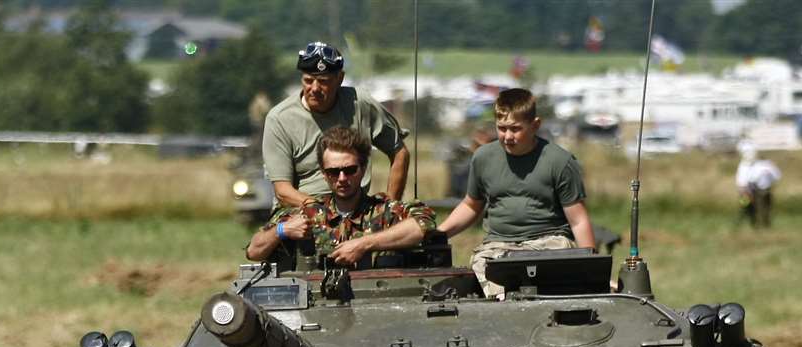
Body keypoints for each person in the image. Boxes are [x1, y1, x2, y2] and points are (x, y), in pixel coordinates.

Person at [435, 88, 596, 299]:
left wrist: (594, 273)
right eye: (502, 128)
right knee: (489, 276)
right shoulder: (483, 158)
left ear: (535, 125)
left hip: (549, 243)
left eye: (515, 129)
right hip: (498, 247)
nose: (508, 136)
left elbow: (578, 221)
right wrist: (437, 235)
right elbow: (471, 205)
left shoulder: (560, 161)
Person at [246, 127, 435, 267]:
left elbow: (424, 225)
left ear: (363, 169)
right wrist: (282, 230)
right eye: (334, 172)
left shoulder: (385, 212)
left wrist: (364, 244)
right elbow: (254, 251)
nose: (342, 179)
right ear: (323, 174)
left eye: (350, 170)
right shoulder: (307, 215)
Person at [261, 41, 409, 211]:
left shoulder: (359, 104)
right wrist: (326, 213)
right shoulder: (279, 119)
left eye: (323, 81)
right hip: (300, 211)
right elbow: (283, 191)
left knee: (418, 223)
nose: (314, 88)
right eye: (308, 80)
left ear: (340, 79)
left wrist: (391, 207)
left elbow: (400, 152)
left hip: (355, 209)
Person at [736, 141, 783, 228]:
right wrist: (743, 189)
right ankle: (742, 223)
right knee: (745, 207)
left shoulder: (758, 164)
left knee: (758, 207)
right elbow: (742, 179)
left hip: (754, 190)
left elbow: (775, 176)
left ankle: (757, 225)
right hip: (745, 191)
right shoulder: (743, 165)